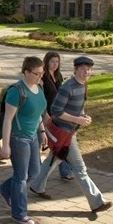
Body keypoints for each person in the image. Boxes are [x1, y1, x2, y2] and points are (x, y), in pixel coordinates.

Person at [30, 56, 113, 214]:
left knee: (54, 159)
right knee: (80, 168)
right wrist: (77, 119)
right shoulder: (67, 87)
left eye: (88, 70)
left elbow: (77, 107)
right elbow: (56, 111)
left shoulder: (83, 85)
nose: (85, 72)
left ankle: (36, 185)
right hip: (63, 133)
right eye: (82, 69)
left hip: (69, 131)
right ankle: (97, 202)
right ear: (75, 70)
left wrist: (83, 116)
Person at [0, 56, 48, 224]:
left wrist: (42, 131)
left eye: (42, 73)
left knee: (34, 172)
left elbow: (38, 113)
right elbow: (8, 120)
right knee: (21, 177)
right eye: (37, 74)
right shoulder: (16, 91)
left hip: (33, 136)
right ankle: (19, 214)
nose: (41, 77)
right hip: (18, 139)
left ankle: (6, 190)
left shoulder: (38, 87)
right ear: (26, 72)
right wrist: (5, 145)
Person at [41, 51, 74, 180]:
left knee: (59, 142)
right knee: (53, 142)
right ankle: (38, 171)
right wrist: (46, 114)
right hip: (47, 114)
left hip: (59, 114)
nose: (55, 64)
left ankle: (65, 170)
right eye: (52, 62)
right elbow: (42, 97)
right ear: (47, 62)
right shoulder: (43, 77)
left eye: (57, 62)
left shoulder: (58, 76)